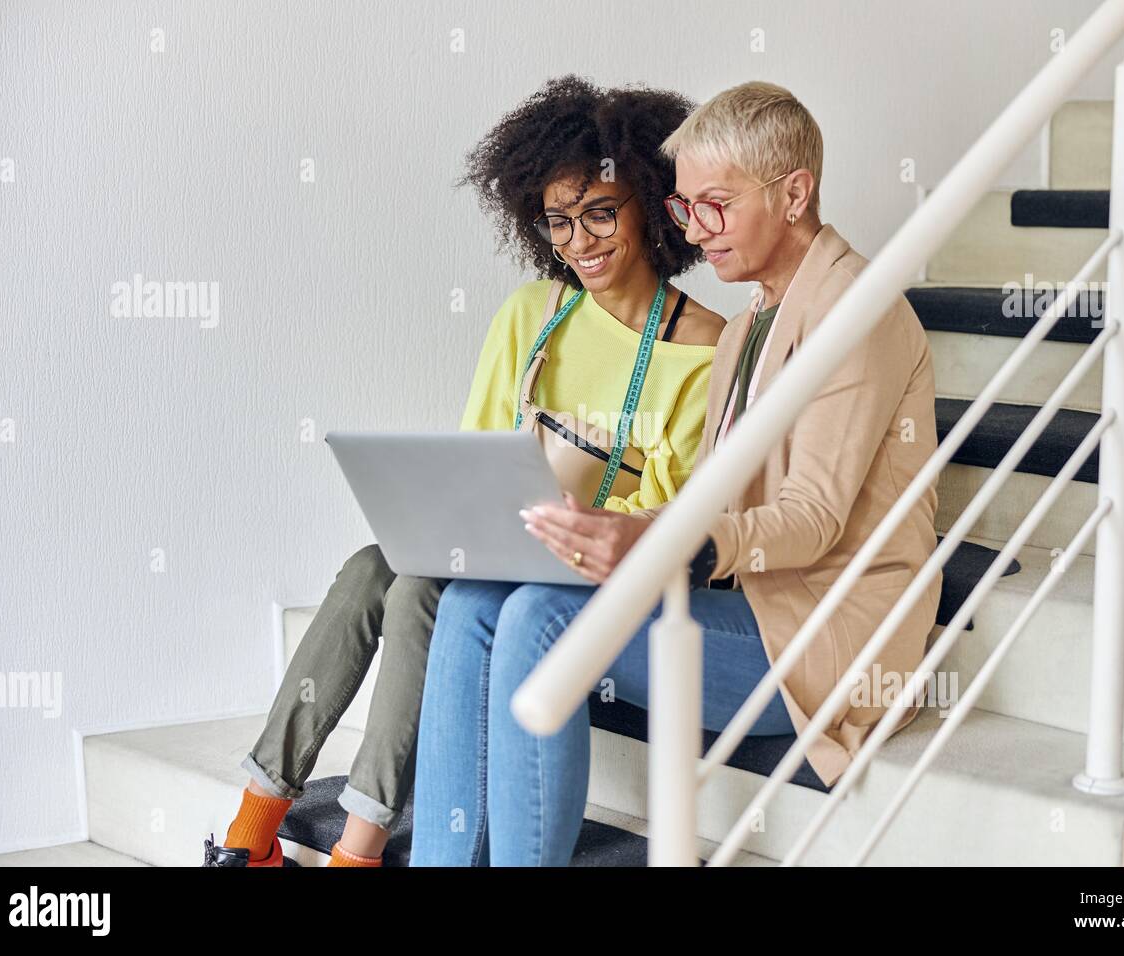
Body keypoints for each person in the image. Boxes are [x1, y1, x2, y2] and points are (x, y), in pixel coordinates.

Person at [409, 81, 942, 866]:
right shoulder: (748, 325)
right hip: (736, 599)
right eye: (685, 206)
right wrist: (606, 524)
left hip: (814, 633)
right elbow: (713, 495)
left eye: (714, 203)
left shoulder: (856, 311)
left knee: (539, 621)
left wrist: (662, 545)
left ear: (795, 193)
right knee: (472, 599)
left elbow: (812, 519)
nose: (693, 228)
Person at [201, 75, 724, 867]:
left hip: (592, 566)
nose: (579, 241)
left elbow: (668, 513)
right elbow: (477, 451)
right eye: (558, 222)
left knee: (414, 589)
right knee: (373, 566)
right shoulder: (534, 315)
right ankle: (255, 823)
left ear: (649, 205)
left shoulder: (702, 347)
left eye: (599, 213)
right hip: (502, 539)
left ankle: (359, 847)